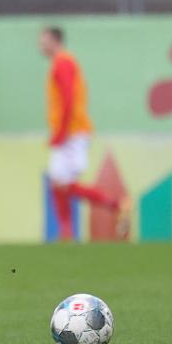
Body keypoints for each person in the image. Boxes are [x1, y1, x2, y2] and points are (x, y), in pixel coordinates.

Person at [40, 26, 131, 241]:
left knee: (62, 183)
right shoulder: (62, 62)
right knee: (58, 183)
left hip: (72, 131)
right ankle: (67, 231)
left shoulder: (63, 62)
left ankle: (117, 204)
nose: (40, 46)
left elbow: (68, 97)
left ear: (55, 40)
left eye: (44, 41)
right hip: (70, 131)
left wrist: (61, 131)